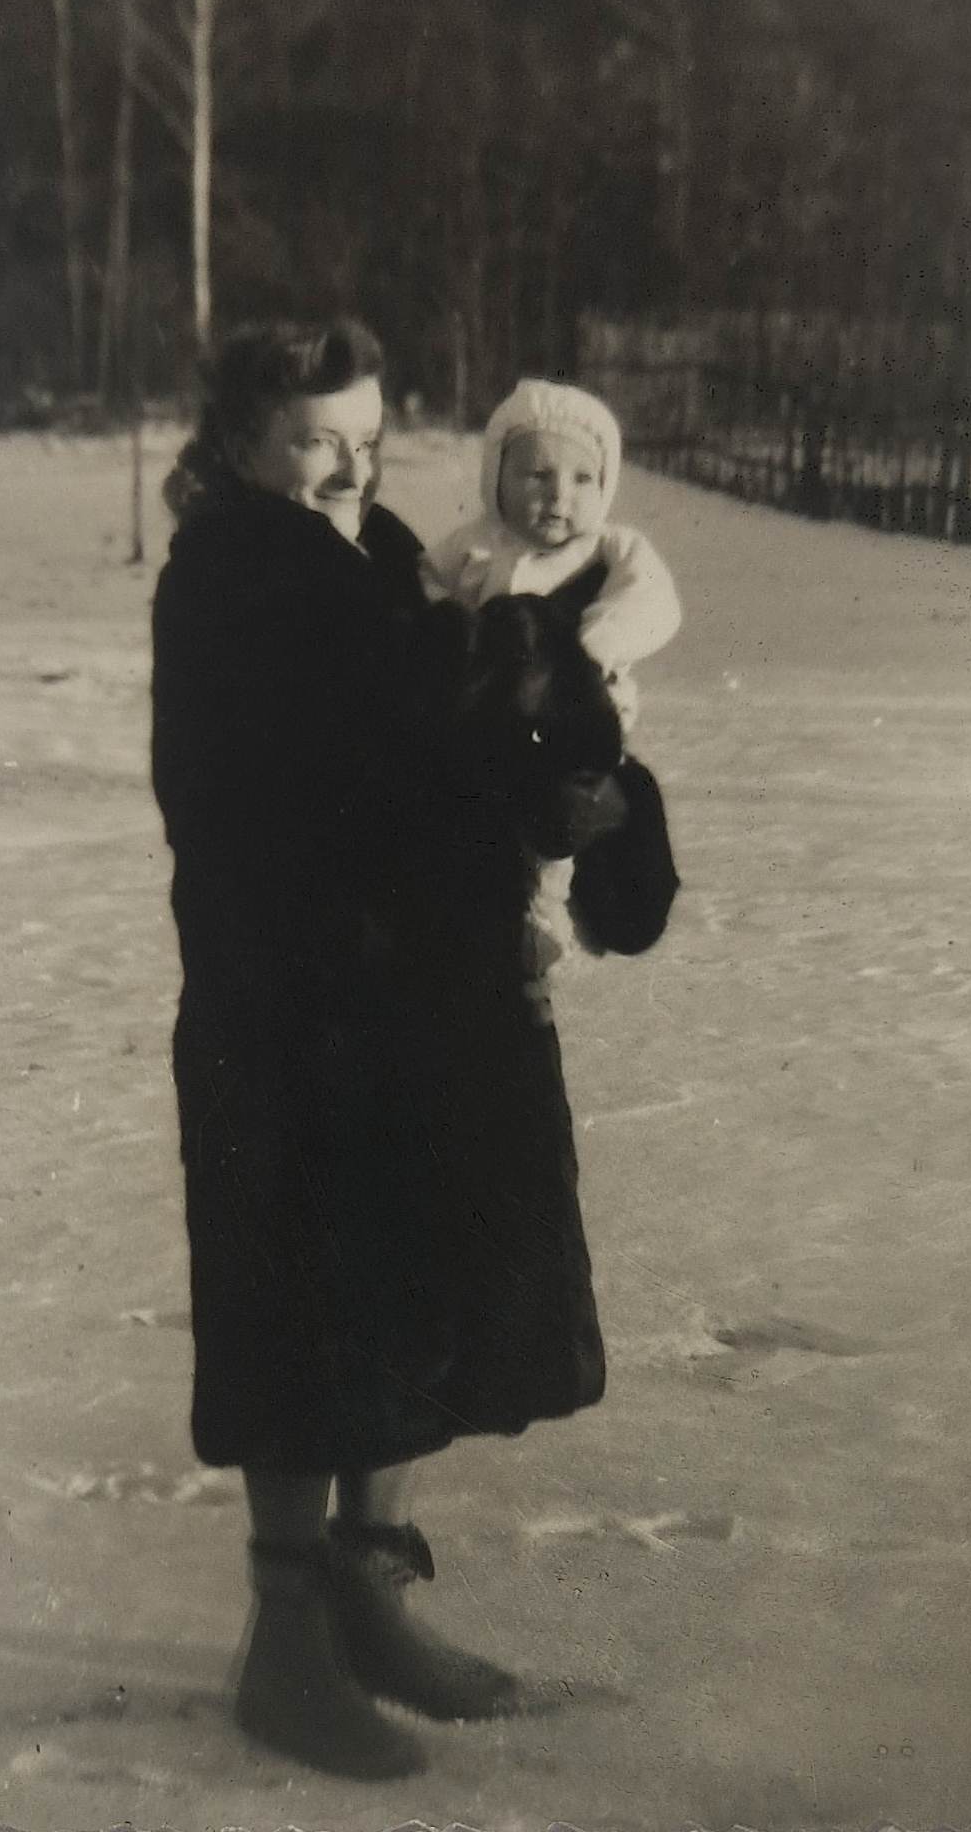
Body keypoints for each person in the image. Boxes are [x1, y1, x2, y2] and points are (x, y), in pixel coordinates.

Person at [150, 320, 606, 1780]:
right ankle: (286, 1644)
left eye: (366, 437)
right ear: (240, 443)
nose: (348, 467)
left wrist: (545, 765)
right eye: (312, 440)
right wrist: (489, 688)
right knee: (302, 1313)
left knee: (407, 1299)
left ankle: (367, 1598)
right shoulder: (234, 579)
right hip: (293, 1012)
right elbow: (337, 771)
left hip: (410, 1003)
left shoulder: (388, 553)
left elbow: (447, 741)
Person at [422, 378, 682, 970]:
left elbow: (653, 599)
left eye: (583, 479)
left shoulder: (609, 547)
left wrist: (595, 643)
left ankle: (554, 911)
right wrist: (449, 629)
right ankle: (513, 912)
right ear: (497, 478)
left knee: (568, 813)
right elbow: (427, 583)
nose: (559, 495)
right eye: (537, 475)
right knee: (492, 824)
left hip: (580, 725)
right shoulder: (474, 546)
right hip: (496, 730)